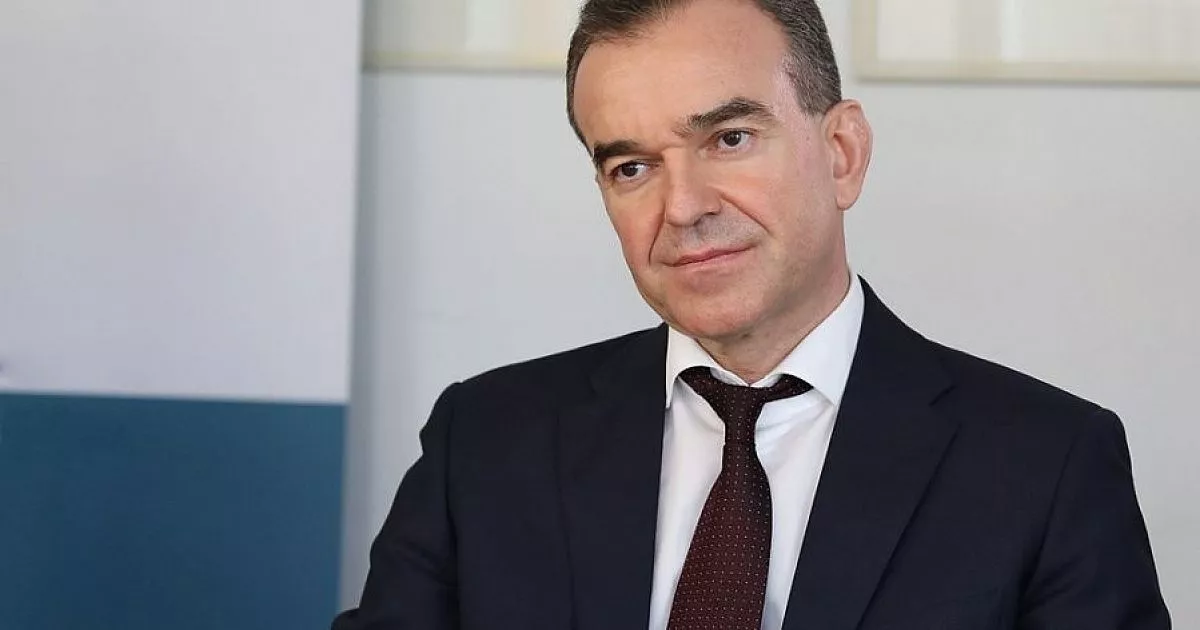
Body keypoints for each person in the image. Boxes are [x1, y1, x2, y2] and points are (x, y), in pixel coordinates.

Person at [333, 0, 1170, 628]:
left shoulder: (1046, 466)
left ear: (842, 154)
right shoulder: (484, 442)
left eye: (728, 138)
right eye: (631, 168)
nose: (683, 206)